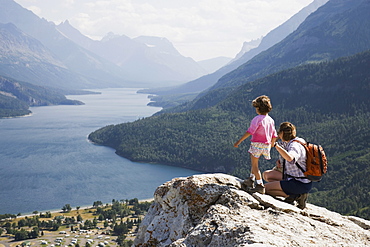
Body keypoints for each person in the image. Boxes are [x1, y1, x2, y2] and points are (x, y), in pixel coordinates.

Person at [234, 95, 278, 194]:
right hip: (266, 145)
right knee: (255, 162)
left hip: (257, 143)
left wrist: (239, 141)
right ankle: (251, 179)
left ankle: (260, 185)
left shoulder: (257, 119)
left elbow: (250, 131)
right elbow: (274, 134)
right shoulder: (271, 120)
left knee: (254, 165)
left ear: (258, 108)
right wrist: (272, 144)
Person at [264, 122, 312, 209]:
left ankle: (297, 196)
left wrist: (276, 146)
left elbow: (290, 158)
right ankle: (291, 192)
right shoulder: (297, 140)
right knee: (267, 175)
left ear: (282, 133)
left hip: (298, 183)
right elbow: (283, 147)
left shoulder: (295, 146)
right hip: (298, 179)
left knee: (264, 189)